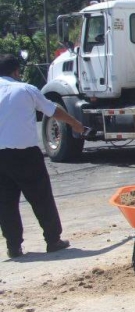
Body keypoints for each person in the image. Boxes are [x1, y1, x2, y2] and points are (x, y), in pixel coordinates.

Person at [0, 54, 85, 258]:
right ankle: (53, 240)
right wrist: (75, 123)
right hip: (25, 154)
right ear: (16, 71)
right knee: (41, 197)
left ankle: (13, 246)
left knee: (5, 202)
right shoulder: (25, 89)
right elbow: (53, 110)